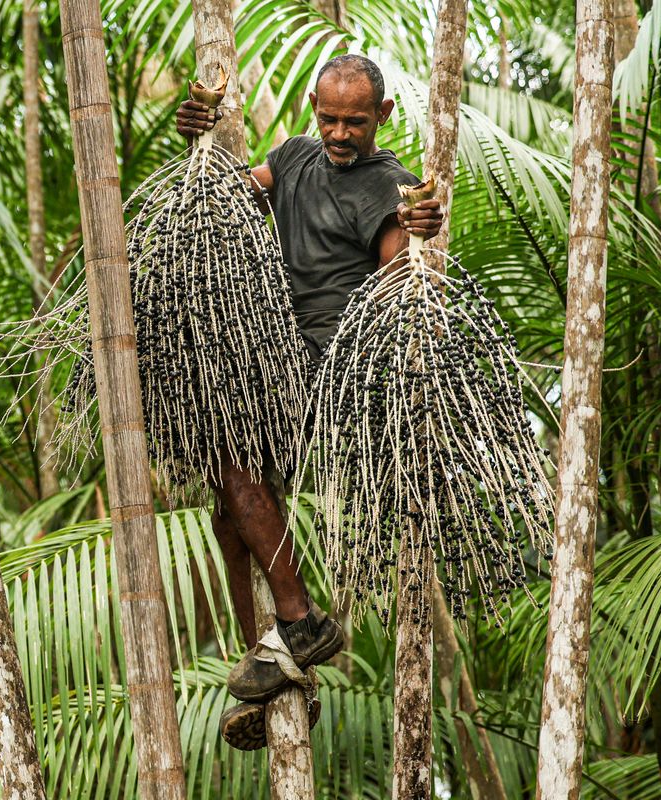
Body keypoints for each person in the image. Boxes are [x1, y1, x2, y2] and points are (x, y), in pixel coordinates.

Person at [175, 54, 444, 741]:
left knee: (238, 469)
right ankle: (274, 668)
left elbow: (394, 282)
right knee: (228, 517)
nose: (339, 132)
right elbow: (229, 197)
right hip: (275, 355)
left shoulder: (392, 185)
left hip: (330, 370)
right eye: (329, 117)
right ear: (313, 107)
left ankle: (301, 624)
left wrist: (420, 234)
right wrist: (198, 138)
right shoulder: (293, 157)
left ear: (382, 117)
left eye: (355, 121)